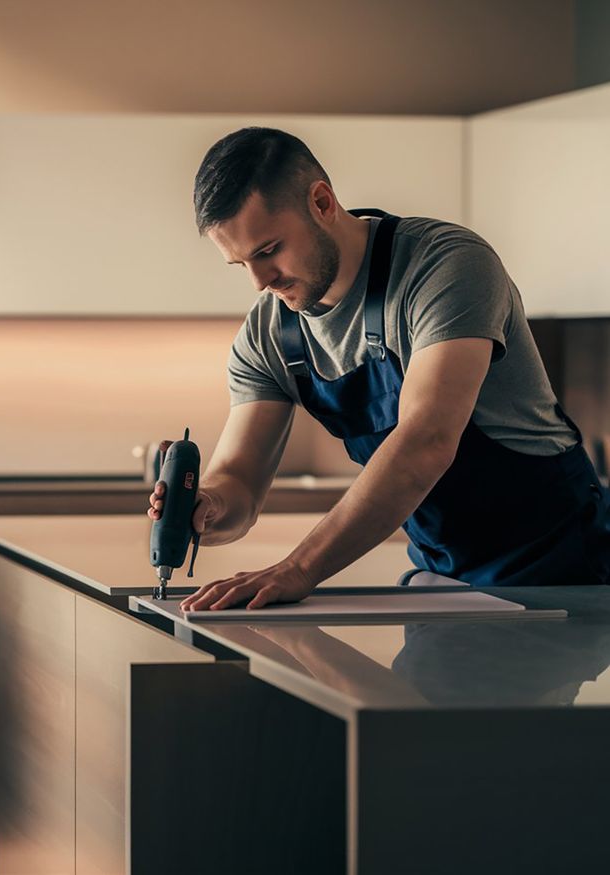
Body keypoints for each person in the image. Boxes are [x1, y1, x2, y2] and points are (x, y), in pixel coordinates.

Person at [148, 127, 610, 611]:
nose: (260, 282)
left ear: (322, 202)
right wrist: (209, 505)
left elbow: (425, 442)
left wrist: (300, 567)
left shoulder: (446, 266)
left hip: (557, 569)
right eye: (240, 263)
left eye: (267, 251)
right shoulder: (268, 335)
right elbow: (239, 484)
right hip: (441, 577)